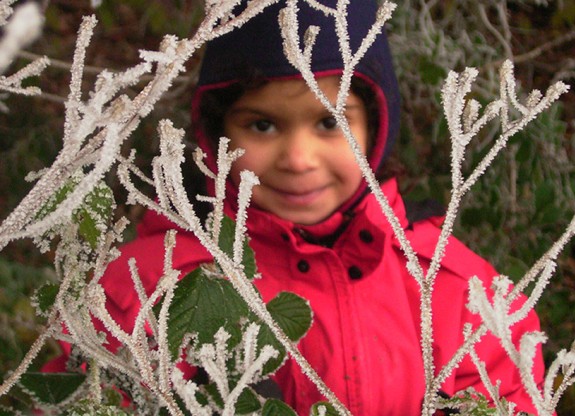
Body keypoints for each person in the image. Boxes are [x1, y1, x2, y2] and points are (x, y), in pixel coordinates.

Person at [46, 1, 545, 414]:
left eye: (331, 123)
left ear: (374, 127)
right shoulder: (149, 287)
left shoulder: (451, 287)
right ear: (217, 135)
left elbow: (507, 395)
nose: (299, 160)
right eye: (262, 126)